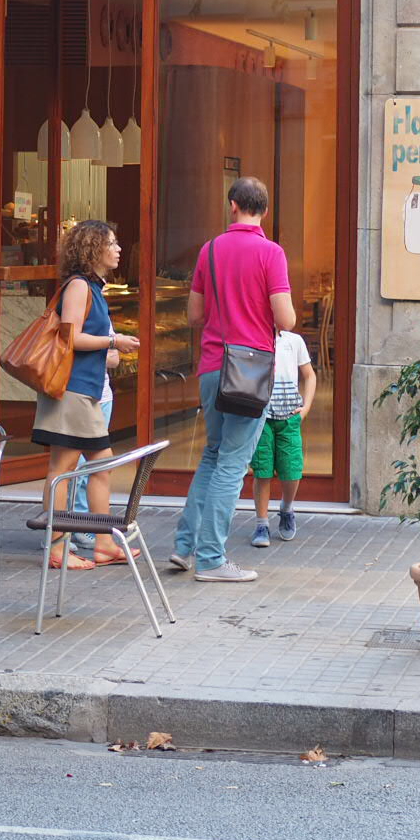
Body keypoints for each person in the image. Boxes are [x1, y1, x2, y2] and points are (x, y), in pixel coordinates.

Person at [171, 177, 296, 582]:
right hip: (250, 371)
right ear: (265, 210)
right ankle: (211, 559)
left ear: (233, 206)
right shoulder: (271, 253)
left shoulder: (209, 250)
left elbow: (194, 315)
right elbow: (286, 319)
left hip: (213, 366)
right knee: (232, 463)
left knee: (213, 454)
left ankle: (184, 546)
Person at [31, 218, 141, 570]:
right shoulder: (79, 286)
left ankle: (103, 542)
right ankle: (57, 547)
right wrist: (113, 341)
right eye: (111, 243)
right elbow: (71, 337)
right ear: (93, 249)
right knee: (62, 469)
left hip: (85, 390)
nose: (118, 249)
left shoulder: (92, 287)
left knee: (100, 465)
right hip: (73, 390)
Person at [249, 328, 316, 547]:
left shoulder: (293, 341)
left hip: (289, 416)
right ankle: (261, 523)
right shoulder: (253, 337)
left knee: (292, 469)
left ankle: (286, 508)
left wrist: (305, 408)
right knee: (262, 470)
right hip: (261, 416)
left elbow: (309, 375)